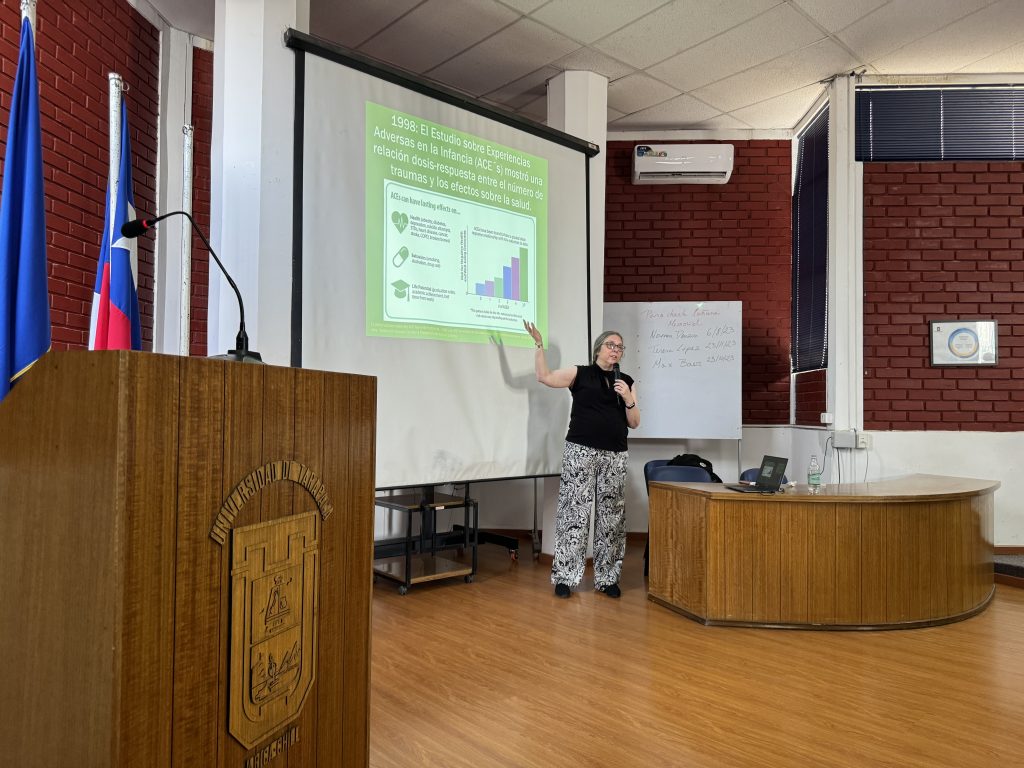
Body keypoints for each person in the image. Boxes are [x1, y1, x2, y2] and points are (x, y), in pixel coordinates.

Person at [523, 320, 640, 599]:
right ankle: (565, 577)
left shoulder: (626, 382)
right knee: (574, 514)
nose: (616, 350)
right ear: (598, 349)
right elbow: (545, 377)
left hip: (615, 454)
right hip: (581, 451)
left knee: (611, 517)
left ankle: (607, 578)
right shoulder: (581, 374)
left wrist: (628, 398)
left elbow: (634, 422)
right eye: (611, 345)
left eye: (620, 347)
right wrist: (539, 344)